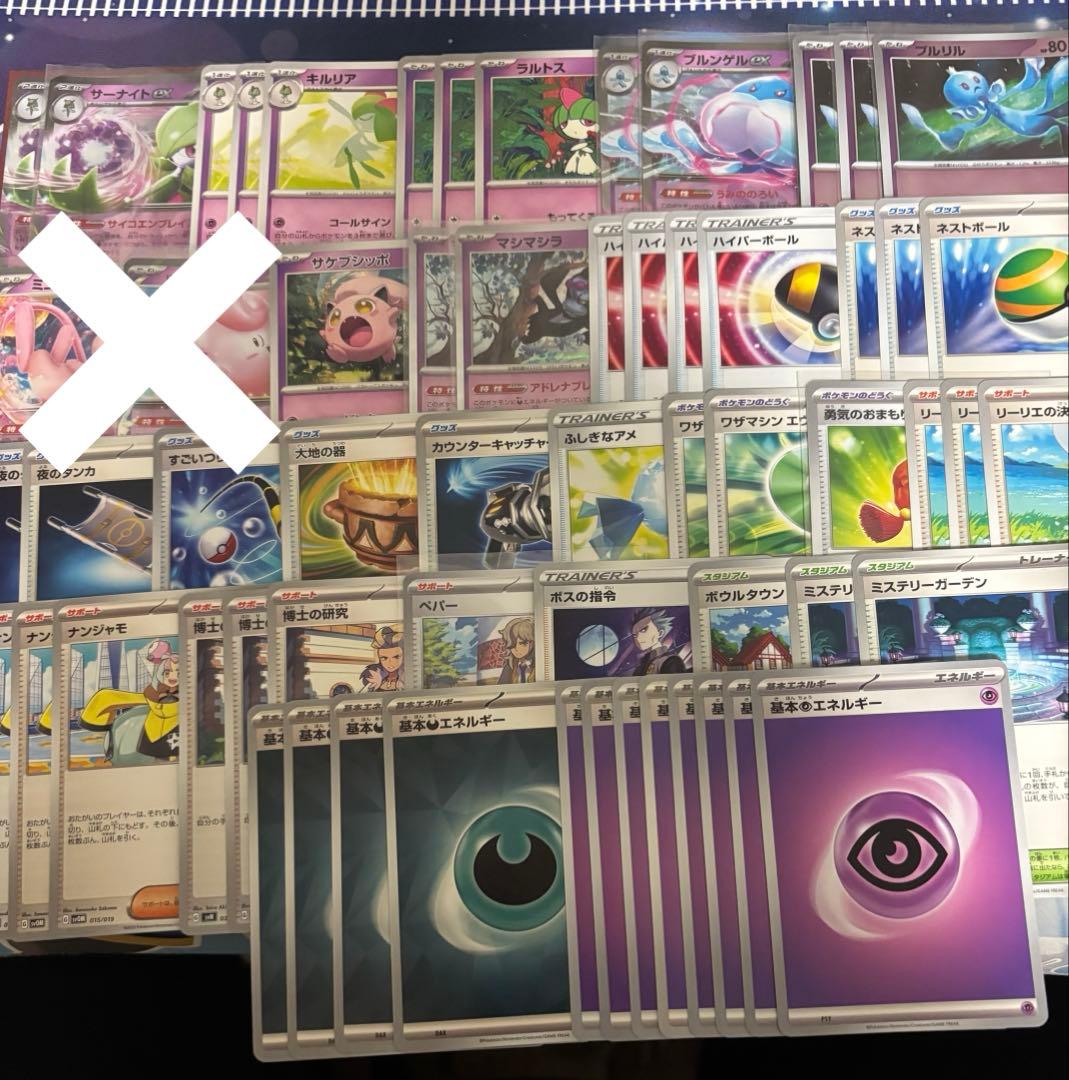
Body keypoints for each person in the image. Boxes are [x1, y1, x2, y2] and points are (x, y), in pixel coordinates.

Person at [630, 608, 687, 676]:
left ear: (660, 633)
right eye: (635, 635)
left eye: (643, 630)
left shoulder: (671, 661)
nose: (638, 638)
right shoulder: (641, 666)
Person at [361, 625, 404, 691]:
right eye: (384, 658)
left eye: (396, 657)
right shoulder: (376, 678)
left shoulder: (408, 679)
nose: (390, 662)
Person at [497, 616, 535, 684]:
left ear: (532, 642)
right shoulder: (510, 666)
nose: (516, 649)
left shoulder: (539, 663)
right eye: (512, 645)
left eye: (522, 643)